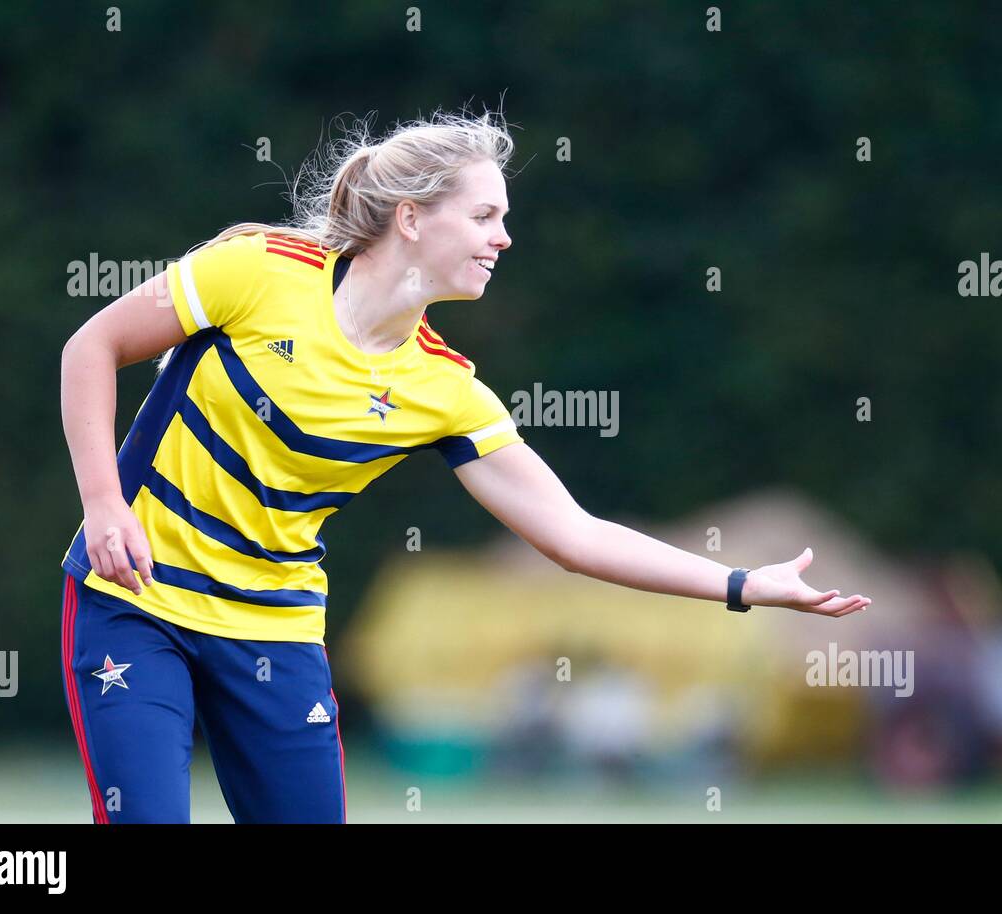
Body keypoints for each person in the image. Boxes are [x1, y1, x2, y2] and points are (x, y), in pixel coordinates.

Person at [58, 108, 871, 824]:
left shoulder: (447, 390)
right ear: (411, 219)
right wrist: (104, 503)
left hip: (274, 633)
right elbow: (91, 346)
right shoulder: (257, 271)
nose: (504, 238)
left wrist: (739, 586)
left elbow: (574, 535)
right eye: (484, 215)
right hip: (137, 602)